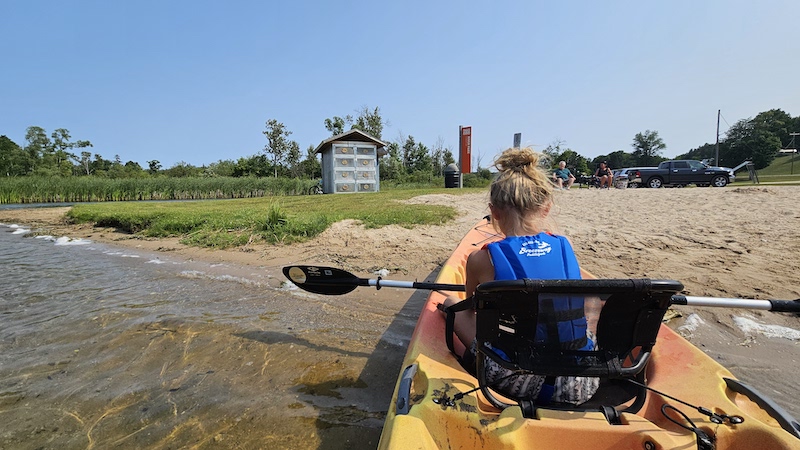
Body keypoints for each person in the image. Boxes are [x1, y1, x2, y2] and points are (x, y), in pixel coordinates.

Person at [441, 147, 599, 405]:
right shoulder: (564, 247)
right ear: (546, 208)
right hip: (580, 383)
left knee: (451, 305)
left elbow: (471, 310)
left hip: (513, 379)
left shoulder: (481, 259)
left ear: (494, 212)